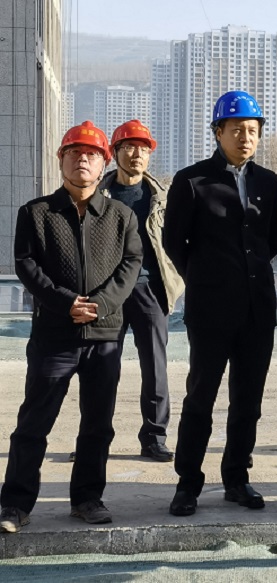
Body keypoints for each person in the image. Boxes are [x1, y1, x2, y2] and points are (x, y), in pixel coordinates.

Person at [0, 122, 142, 533]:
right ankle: (15, 504)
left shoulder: (121, 216)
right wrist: (65, 303)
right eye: (74, 152)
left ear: (104, 164)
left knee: (98, 424)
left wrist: (100, 305)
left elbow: (131, 264)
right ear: (60, 159)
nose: (83, 159)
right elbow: (26, 265)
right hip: (54, 336)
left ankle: (87, 499)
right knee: (34, 422)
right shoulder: (36, 213)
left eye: (92, 154)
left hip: (104, 335)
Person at [163, 91, 277, 516]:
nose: (245, 137)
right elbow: (174, 242)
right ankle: (187, 483)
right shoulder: (192, 181)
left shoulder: (269, 182)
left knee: (248, 401)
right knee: (201, 397)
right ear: (218, 132)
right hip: (210, 311)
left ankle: (237, 478)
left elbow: (271, 241)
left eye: (252, 130)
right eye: (236, 130)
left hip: (257, 310)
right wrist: (205, 278)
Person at [96, 120, 184, 462]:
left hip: (150, 289)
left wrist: (176, 281)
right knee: (102, 367)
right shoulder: (97, 195)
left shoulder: (163, 197)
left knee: (155, 367)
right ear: (115, 152)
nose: (136, 154)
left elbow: (180, 241)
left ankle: (154, 438)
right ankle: (94, 437)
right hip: (107, 292)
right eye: (129, 147)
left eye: (143, 149)